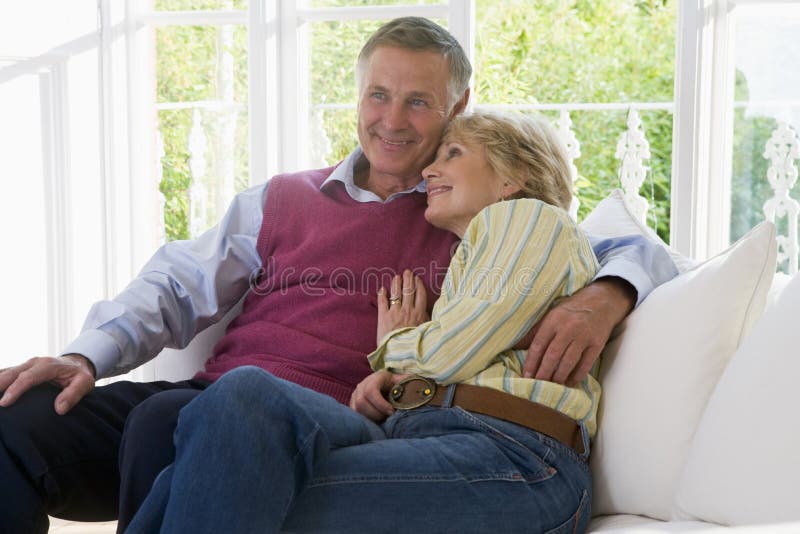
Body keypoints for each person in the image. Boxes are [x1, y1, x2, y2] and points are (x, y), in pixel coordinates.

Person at [0, 17, 677, 534]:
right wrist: (84, 354)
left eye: (419, 102)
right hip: (219, 397)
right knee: (16, 419)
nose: (391, 120)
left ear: (458, 106)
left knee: (174, 422)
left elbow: (628, 244)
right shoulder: (284, 197)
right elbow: (176, 284)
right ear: (356, 96)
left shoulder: (472, 212)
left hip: (326, 421)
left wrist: (607, 294)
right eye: (379, 95)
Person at [126, 111, 601, 533]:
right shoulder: (474, 253)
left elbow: (453, 349)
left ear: (513, 175)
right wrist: (396, 390)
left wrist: (394, 345)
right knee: (243, 394)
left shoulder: (530, 219)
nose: (430, 169)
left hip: (519, 462)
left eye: (453, 154)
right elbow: (456, 353)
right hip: (431, 434)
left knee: (234, 483)